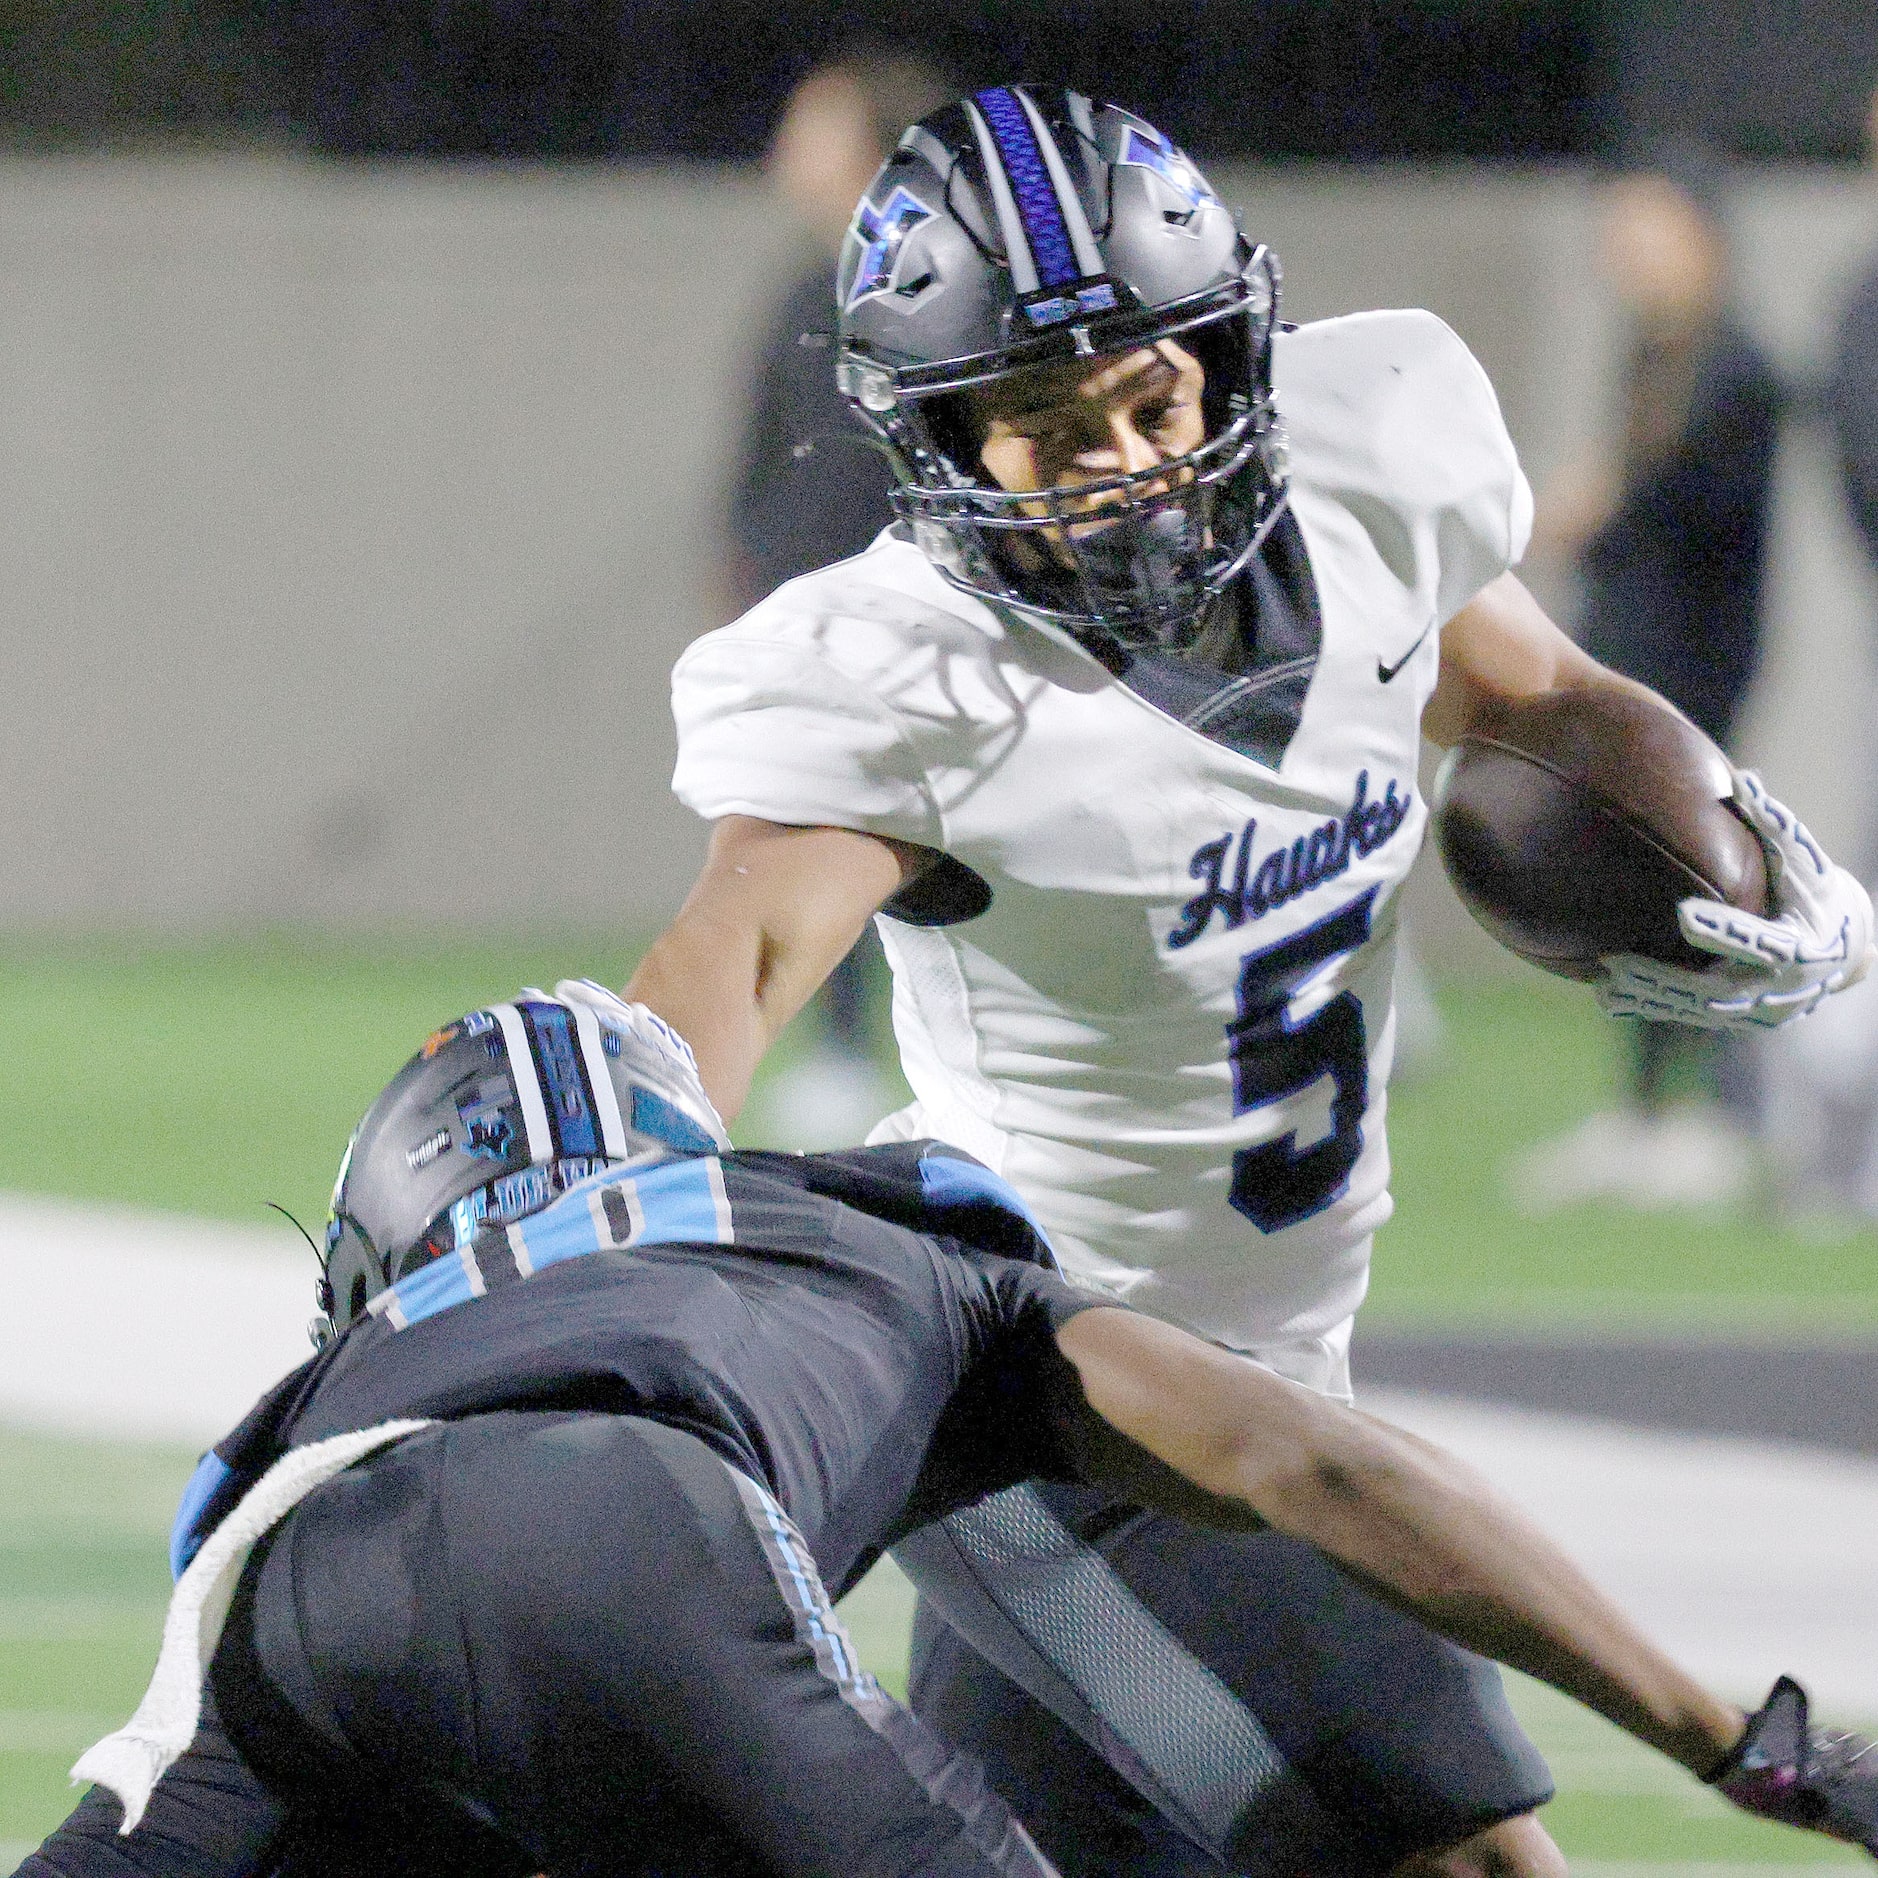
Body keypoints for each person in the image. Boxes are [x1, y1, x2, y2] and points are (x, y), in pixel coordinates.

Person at [626, 88, 1875, 1878]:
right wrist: (629, 1146)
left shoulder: (1362, 491)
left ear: (1229, 354)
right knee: (1470, 1857)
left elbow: (1524, 691)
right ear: (940, 443)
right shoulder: (919, 678)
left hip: (1272, 1367)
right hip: (1055, 1391)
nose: (1128, 463)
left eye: (1153, 396)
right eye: (1049, 431)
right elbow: (741, 937)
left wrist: (1713, 836)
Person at [19, 982, 1878, 1878]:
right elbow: (1310, 1461)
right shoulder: (868, 1230)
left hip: (297, 1572)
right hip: (645, 1523)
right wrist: (1725, 1732)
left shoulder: (319, 1395)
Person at [1514, 146, 1785, 1214]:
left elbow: (1659, 506)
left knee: (1707, 896)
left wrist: (1578, 510)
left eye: (1646, 231)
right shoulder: (1652, 353)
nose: (1625, 255)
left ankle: (1714, 1118)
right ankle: (1641, 1116)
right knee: (1629, 901)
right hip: (1631, 666)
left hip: (1692, 679)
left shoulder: (1736, 368)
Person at [725, 51, 948, 1148]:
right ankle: (842, 1052)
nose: (784, 151)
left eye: (809, 127)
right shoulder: (801, 295)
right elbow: (763, 465)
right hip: (807, 629)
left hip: (912, 637)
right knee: (810, 830)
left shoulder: (939, 297)